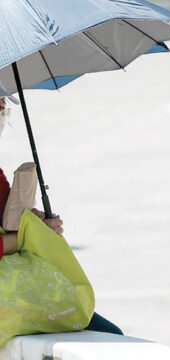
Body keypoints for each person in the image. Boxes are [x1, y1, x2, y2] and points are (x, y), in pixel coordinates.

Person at [0, 96, 123, 336]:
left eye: (2, 108)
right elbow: (15, 234)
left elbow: (10, 219)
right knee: (108, 337)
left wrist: (39, 223)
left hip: (15, 293)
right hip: (10, 300)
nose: (1, 117)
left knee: (110, 336)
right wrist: (25, 237)